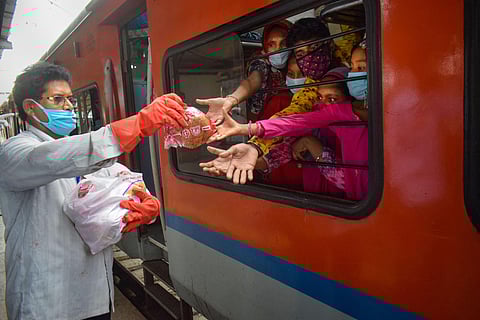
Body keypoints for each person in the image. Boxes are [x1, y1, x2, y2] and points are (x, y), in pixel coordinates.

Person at [0, 61, 188, 319]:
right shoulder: (15, 152)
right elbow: (52, 159)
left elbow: (114, 174)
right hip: (45, 299)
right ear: (32, 108)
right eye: (58, 99)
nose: (68, 106)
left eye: (70, 99)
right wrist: (138, 124)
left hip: (93, 295)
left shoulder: (76, 149)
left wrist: (141, 196)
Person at [200, 43, 368, 200]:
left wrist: (245, 129)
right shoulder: (317, 119)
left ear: (348, 98)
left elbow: (294, 122)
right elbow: (284, 150)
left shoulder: (348, 116)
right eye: (319, 97)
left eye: (331, 99)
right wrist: (250, 158)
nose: (323, 104)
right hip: (315, 199)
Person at [196, 20, 291, 123]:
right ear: (265, 47)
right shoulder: (260, 64)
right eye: (271, 45)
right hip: (266, 127)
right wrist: (231, 100)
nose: (278, 49)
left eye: (283, 43)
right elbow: (252, 81)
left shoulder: (298, 63)